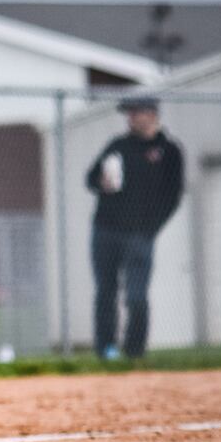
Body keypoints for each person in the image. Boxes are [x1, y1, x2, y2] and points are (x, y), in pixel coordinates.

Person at [85, 96, 184, 360]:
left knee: (136, 296)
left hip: (140, 235)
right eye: (129, 114)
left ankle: (134, 351)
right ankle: (106, 350)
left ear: (151, 115)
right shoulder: (118, 146)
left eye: (135, 113)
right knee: (105, 293)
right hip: (105, 229)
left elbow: (173, 196)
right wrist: (101, 182)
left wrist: (150, 228)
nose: (130, 118)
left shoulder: (169, 151)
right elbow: (91, 178)